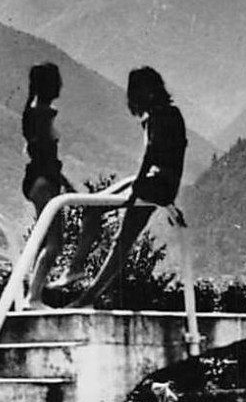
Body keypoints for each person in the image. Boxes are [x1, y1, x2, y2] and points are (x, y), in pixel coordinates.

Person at [68, 67, 187, 309]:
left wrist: (136, 189)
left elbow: (152, 153)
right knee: (107, 222)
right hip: (160, 185)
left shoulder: (159, 116)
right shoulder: (167, 113)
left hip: (154, 185)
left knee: (119, 238)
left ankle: (82, 283)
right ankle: (81, 281)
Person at [20, 62, 74, 308]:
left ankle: (32, 292)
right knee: (54, 242)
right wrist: (62, 184)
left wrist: (66, 183)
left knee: (45, 241)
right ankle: (33, 295)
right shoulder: (42, 114)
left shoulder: (33, 112)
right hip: (44, 183)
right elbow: (46, 157)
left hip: (37, 181)